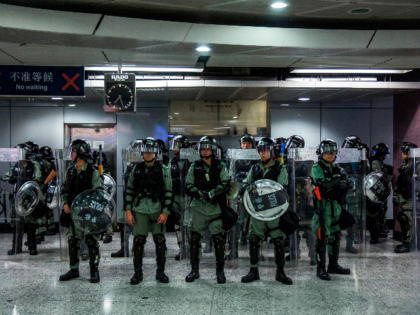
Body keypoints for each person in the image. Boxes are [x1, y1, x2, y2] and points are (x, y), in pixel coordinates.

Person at [241, 137, 293, 285]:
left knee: (279, 241)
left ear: (271, 151)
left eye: (265, 150)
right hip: (257, 210)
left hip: (275, 211)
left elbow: (282, 188)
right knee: (254, 239)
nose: (262, 153)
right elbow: (246, 183)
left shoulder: (280, 168)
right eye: (260, 150)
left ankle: (280, 272)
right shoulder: (255, 168)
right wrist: (246, 189)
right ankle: (253, 271)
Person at [125, 138, 172, 285]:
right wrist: (128, 210)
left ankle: (160, 272)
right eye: (145, 150)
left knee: (160, 241)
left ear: (156, 152)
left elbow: (169, 192)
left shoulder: (164, 170)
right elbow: (129, 190)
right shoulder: (136, 169)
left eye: (151, 150)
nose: (148, 153)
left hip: (157, 209)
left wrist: (165, 212)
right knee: (138, 241)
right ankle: (137, 273)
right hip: (139, 210)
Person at [185, 136, 230, 284]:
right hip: (198, 207)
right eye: (202, 149)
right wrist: (200, 194)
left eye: (207, 148)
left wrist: (212, 193)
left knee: (218, 239)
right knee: (194, 238)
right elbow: (188, 185)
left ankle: (220, 271)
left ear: (213, 149)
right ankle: (194, 270)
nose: (205, 151)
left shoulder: (220, 166)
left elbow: (225, 183)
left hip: (215, 207)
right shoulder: (194, 166)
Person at [59, 139, 104, 283]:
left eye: (72, 152)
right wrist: (65, 203)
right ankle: (73, 269)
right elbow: (64, 189)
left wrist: (89, 207)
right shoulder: (70, 170)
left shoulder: (93, 172)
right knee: (73, 241)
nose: (70, 155)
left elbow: (99, 194)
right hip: (73, 214)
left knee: (91, 242)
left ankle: (94, 270)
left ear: (80, 154)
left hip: (89, 214)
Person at [311, 139, 352, 281]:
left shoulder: (338, 168)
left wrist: (336, 183)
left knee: (336, 236)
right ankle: (320, 268)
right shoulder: (317, 167)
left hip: (336, 207)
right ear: (321, 153)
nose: (330, 154)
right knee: (322, 239)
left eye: (333, 152)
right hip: (323, 208)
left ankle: (333, 265)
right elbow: (323, 184)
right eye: (327, 151)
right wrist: (337, 183)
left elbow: (349, 183)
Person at [284, 135, 316, 265]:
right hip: (291, 199)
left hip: (304, 199)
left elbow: (310, 182)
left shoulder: (308, 163)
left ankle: (313, 256)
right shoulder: (286, 164)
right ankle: (293, 252)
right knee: (292, 228)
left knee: (309, 228)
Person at [6, 143, 44, 256]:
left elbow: (37, 180)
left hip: (28, 199)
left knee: (30, 223)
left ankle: (32, 248)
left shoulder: (34, 166)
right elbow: (8, 176)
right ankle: (16, 248)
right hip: (16, 199)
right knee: (17, 223)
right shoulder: (15, 166)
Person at [111, 140, 142, 258]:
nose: (131, 155)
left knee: (139, 227)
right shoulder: (129, 166)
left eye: (134, 152)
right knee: (122, 223)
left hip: (139, 201)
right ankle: (124, 248)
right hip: (128, 200)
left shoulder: (143, 167)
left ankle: (138, 249)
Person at [394, 142, 420, 253]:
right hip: (402, 196)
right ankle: (406, 241)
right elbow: (400, 181)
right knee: (402, 217)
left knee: (407, 219)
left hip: (411, 196)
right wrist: (395, 194)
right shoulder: (404, 165)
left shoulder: (417, 166)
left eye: (404, 153)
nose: (402, 155)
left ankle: (407, 243)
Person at [168, 135, 191, 261]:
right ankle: (182, 248)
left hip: (188, 196)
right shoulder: (173, 162)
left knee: (188, 224)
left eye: (177, 145)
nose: (174, 149)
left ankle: (191, 248)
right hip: (176, 196)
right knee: (178, 224)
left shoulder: (191, 160)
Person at [340, 135, 363, 254]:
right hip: (342, 194)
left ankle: (350, 244)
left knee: (353, 220)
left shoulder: (360, 159)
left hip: (354, 194)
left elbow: (364, 172)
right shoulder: (339, 159)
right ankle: (333, 244)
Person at [367, 143, 392, 244]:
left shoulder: (378, 162)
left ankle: (377, 232)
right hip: (375, 192)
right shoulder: (375, 163)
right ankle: (374, 235)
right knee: (373, 214)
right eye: (384, 154)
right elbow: (377, 177)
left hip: (378, 192)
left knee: (379, 213)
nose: (385, 156)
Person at [92, 151, 113, 244]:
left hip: (104, 196)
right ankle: (99, 232)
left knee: (106, 214)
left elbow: (108, 183)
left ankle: (109, 234)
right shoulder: (93, 169)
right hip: (95, 197)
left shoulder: (106, 170)